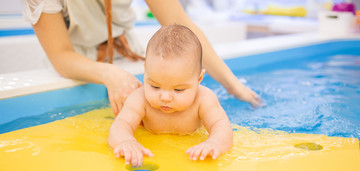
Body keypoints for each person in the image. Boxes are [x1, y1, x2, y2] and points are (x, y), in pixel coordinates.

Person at [22, 0, 261, 116]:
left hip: (128, 52)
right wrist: (108, 73)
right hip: (78, 66)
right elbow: (61, 55)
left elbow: (181, 24)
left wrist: (233, 85)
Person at [108, 24, 233, 167]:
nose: (165, 97)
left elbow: (222, 126)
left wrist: (214, 143)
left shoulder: (204, 99)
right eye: (155, 86)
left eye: (178, 90)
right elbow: (121, 124)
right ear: (145, 72)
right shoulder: (139, 99)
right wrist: (126, 141)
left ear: (199, 79)